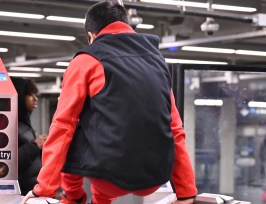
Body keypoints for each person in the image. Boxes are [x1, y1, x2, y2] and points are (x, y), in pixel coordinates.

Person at [21, 1, 197, 203]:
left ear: (92, 36)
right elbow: (175, 128)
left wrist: (43, 191)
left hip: (108, 178)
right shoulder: (157, 61)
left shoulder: (87, 59)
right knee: (109, 120)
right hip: (156, 176)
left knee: (72, 126)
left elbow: (62, 126)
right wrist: (186, 192)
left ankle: (73, 198)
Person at [11, 77, 48, 195]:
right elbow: (8, 162)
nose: (35, 98)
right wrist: (35, 145)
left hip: (32, 190)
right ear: (20, 97)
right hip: (21, 193)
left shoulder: (24, 125)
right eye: (30, 94)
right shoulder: (9, 127)